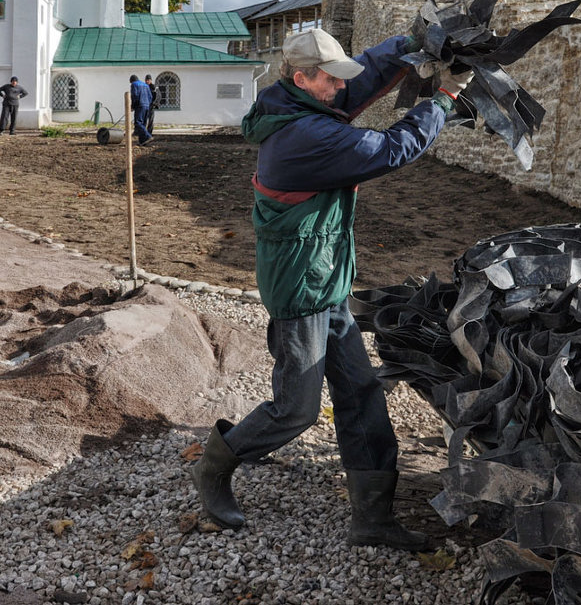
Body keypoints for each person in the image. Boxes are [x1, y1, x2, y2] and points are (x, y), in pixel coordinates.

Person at [191, 27, 472, 551]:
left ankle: (372, 520)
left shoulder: (294, 101)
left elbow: (363, 74)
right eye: (330, 79)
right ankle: (214, 466)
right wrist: (445, 101)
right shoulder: (306, 136)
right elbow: (391, 149)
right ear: (302, 78)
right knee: (296, 409)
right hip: (301, 287)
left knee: (360, 393)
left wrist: (414, 43)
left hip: (327, 278)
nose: (340, 88)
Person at [129, 74, 153, 145]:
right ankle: (142, 141)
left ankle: (148, 136)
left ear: (131, 81)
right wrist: (148, 104)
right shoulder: (145, 85)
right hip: (147, 106)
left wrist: (133, 106)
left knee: (138, 123)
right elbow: (150, 96)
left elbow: (134, 96)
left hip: (140, 106)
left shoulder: (134, 84)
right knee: (143, 123)